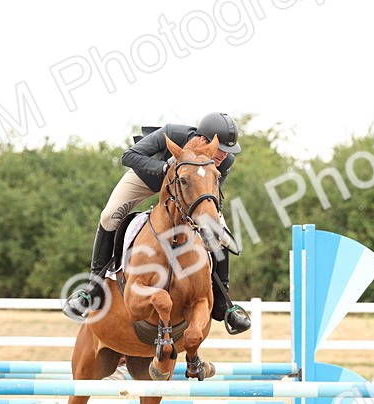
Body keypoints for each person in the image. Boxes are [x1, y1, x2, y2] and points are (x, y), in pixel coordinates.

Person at [62, 112, 252, 335]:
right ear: (203, 140)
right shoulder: (172, 133)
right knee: (109, 215)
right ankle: (92, 289)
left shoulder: (223, 161)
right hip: (147, 178)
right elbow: (129, 156)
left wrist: (210, 225)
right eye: (220, 149)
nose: (224, 156)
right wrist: (164, 169)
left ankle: (223, 303)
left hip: (188, 189)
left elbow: (210, 192)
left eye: (228, 151)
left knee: (218, 231)